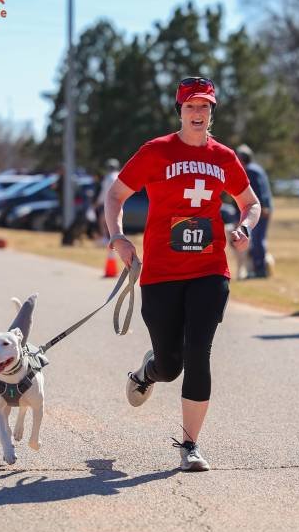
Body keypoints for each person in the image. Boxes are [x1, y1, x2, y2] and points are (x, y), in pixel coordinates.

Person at [105, 77, 261, 472]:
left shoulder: (223, 157)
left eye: (205, 106)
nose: (198, 112)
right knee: (170, 365)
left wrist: (244, 227)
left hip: (209, 270)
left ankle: (190, 445)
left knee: (198, 353)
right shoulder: (156, 151)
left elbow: (251, 203)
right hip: (161, 274)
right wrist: (118, 238)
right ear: (180, 111)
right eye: (191, 106)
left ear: (212, 113)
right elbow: (115, 195)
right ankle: (148, 370)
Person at [236, 144, 273, 278]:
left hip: (261, 210)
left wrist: (263, 207)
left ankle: (260, 269)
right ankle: (258, 268)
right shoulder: (254, 168)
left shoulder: (251, 170)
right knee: (256, 239)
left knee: (258, 240)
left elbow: (259, 190)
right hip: (262, 208)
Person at [95, 158, 120, 245]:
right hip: (119, 201)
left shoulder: (108, 177)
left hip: (110, 202)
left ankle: (105, 238)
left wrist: (98, 202)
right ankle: (113, 239)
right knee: (115, 221)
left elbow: (105, 192)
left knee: (103, 221)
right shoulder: (119, 175)